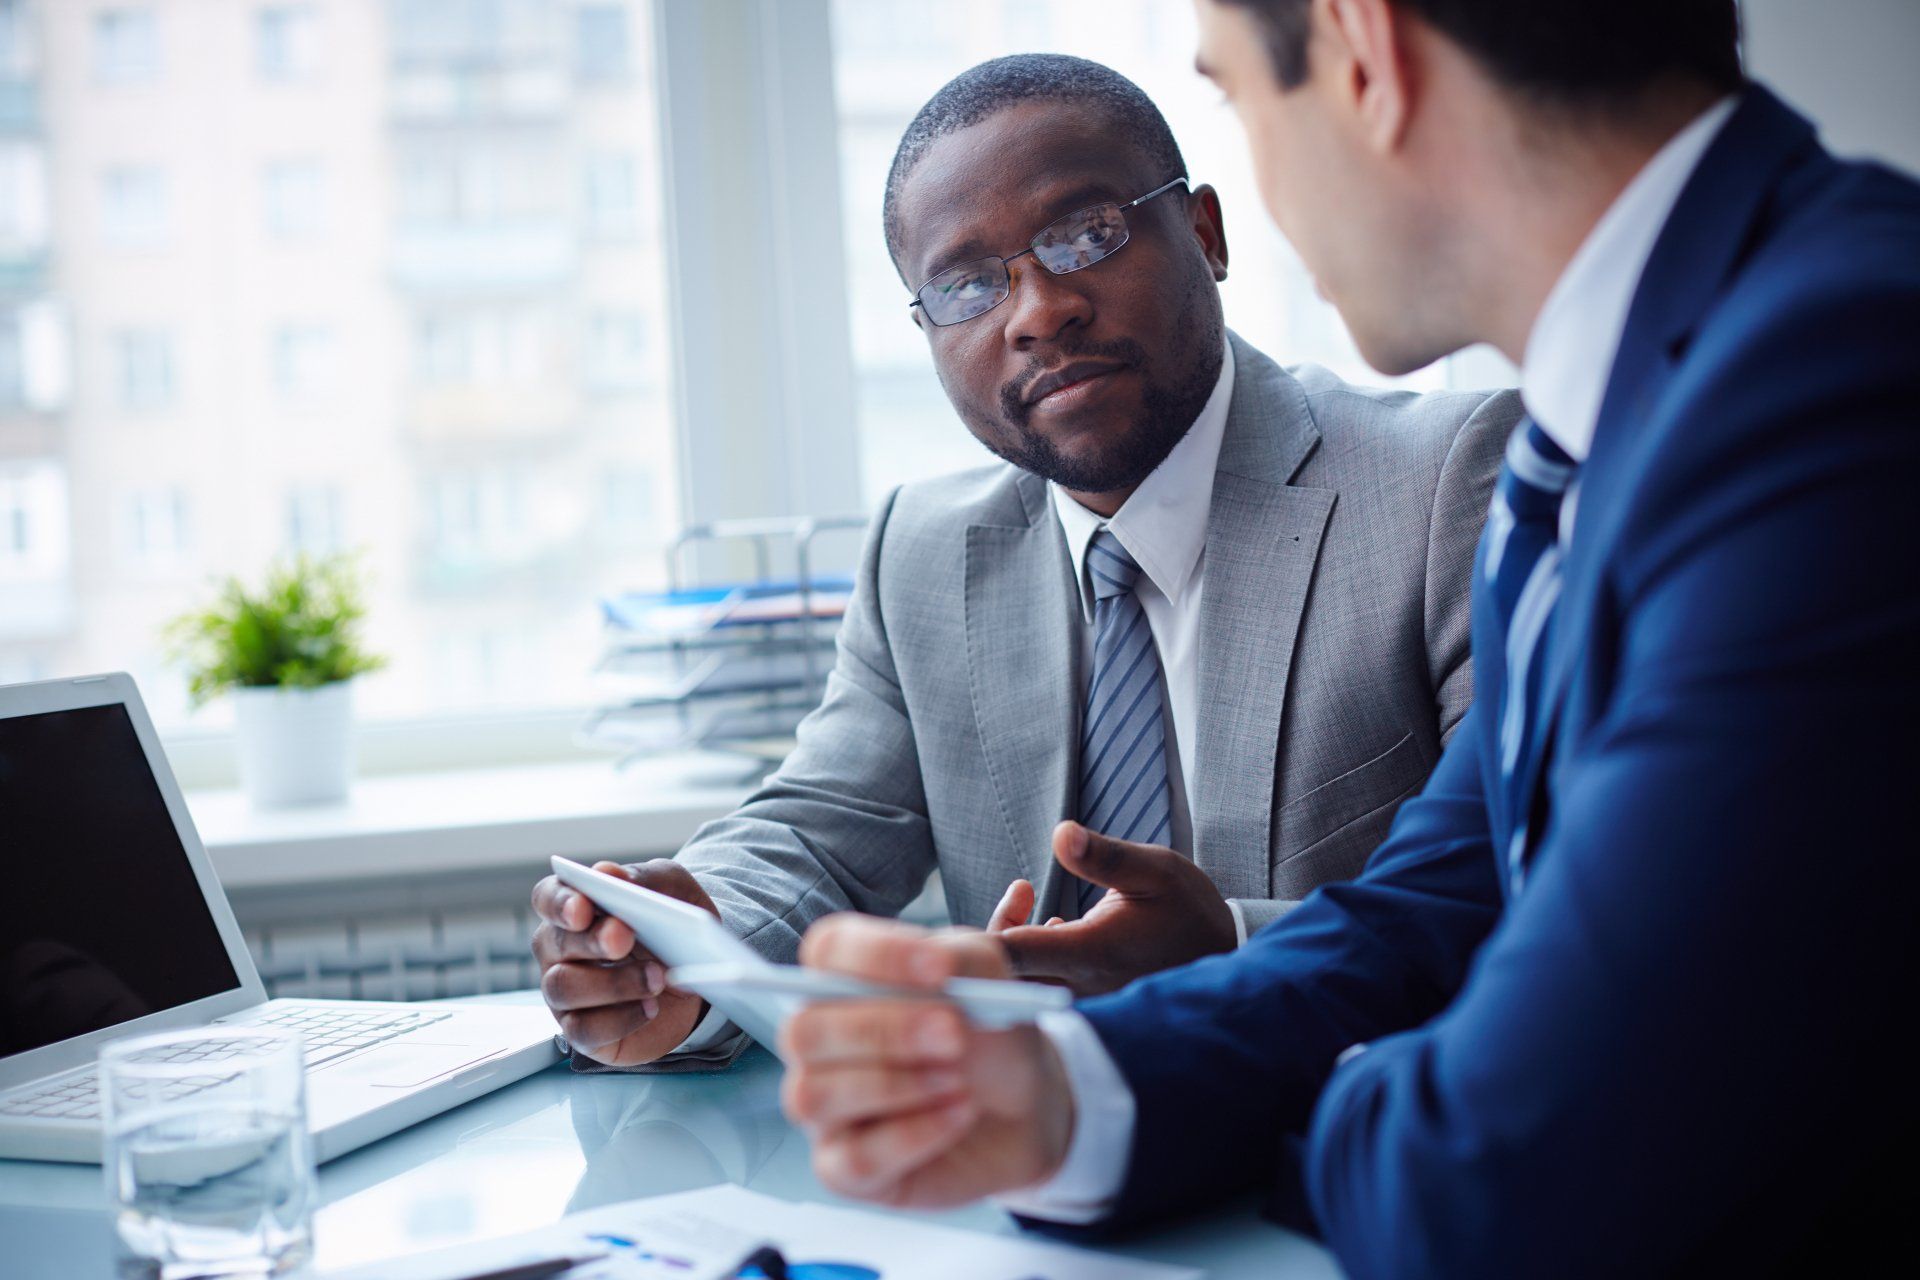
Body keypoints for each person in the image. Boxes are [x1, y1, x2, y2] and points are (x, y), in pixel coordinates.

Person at [777, 1, 1920, 1273]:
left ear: (1363, 52)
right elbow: (1434, 899)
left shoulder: (1842, 379)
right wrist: (1069, 1091)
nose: (1039, 309)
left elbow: (1516, 1160)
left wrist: (1235, 1114)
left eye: (1236, 97)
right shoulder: (1604, 421)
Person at [530, 54, 1521, 1069]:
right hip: (1027, 1165)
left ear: (1206, 235)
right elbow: (818, 826)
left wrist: (1230, 946)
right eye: (966, 284)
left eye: (1086, 234)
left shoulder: (1446, 482)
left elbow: (1521, 891)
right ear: (925, 331)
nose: (1038, 311)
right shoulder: (921, 551)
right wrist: (681, 942)